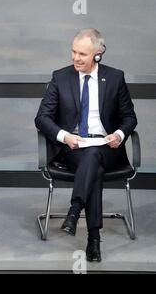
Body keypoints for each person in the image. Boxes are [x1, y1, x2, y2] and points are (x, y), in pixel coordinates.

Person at [34, 28, 137, 262]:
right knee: (93, 164)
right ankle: (93, 239)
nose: (75, 58)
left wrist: (119, 135)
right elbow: (42, 118)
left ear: (98, 54)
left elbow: (130, 117)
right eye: (73, 51)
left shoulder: (114, 77)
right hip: (74, 148)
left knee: (94, 157)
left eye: (82, 53)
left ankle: (75, 209)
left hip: (107, 148)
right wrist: (65, 137)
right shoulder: (61, 77)